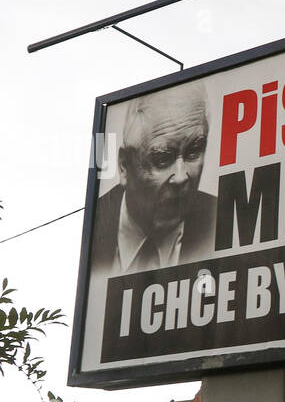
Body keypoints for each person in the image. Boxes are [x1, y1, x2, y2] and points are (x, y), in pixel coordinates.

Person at [91, 83, 217, 276]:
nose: (181, 177)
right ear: (124, 166)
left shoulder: (224, 222)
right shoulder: (92, 227)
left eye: (194, 151)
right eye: (162, 158)